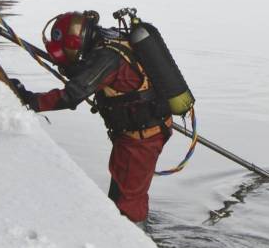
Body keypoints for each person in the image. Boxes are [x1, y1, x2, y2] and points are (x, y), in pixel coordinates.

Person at [10, 11, 172, 224]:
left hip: (141, 138)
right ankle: (127, 230)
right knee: (125, 192)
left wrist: (30, 100)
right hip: (138, 133)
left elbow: (71, 96)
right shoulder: (108, 40)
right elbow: (98, 74)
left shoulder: (107, 56)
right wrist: (76, 68)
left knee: (128, 202)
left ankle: (135, 246)